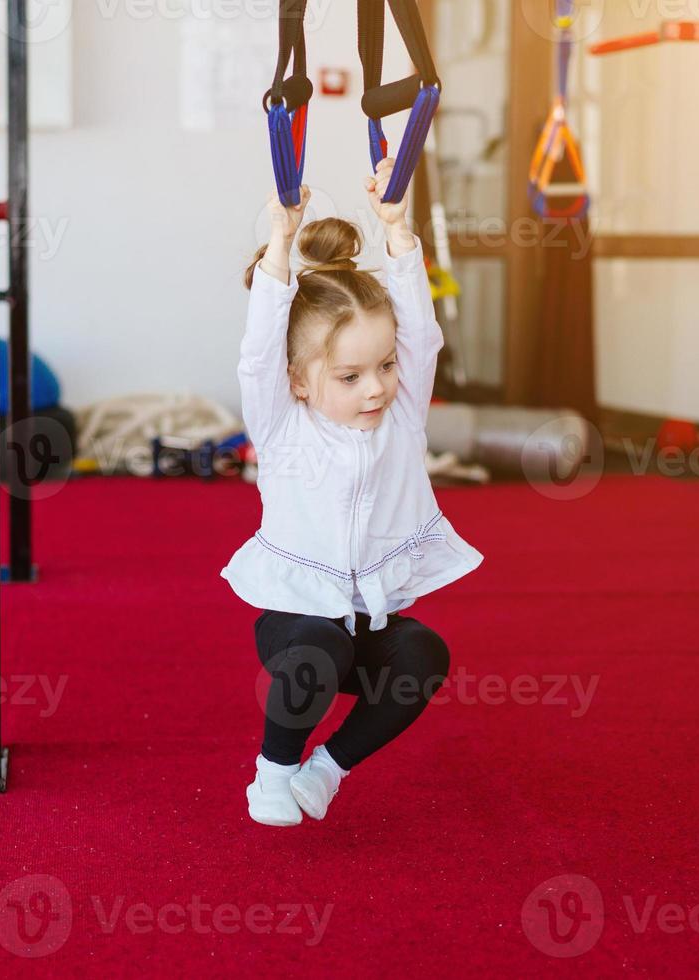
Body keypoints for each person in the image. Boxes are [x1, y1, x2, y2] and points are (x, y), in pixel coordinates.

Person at [222, 159, 484, 827]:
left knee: (423, 652)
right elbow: (257, 353)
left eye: (385, 366)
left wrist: (397, 231)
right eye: (350, 376)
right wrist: (280, 244)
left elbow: (422, 335)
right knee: (320, 648)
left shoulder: (402, 415)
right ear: (300, 381)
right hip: (294, 619)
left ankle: (326, 769)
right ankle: (273, 773)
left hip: (366, 614)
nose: (375, 387)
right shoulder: (282, 424)